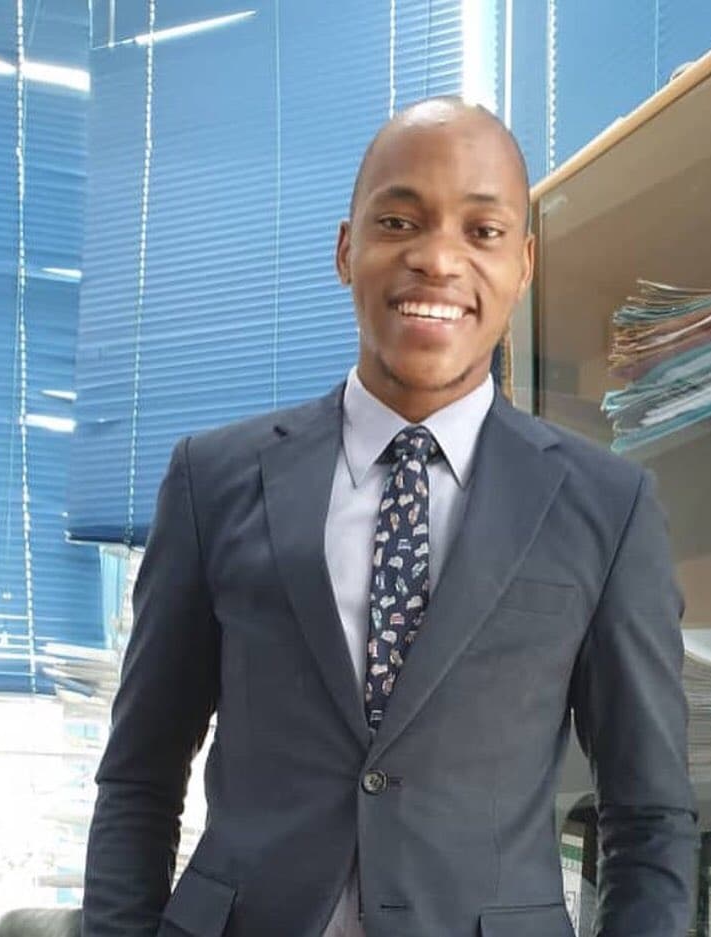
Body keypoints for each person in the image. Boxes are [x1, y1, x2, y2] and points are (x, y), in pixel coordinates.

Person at [82, 97, 697, 937]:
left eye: (481, 232)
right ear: (346, 248)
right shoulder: (211, 480)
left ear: (523, 265)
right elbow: (139, 776)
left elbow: (650, 814)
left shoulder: (606, 507)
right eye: (399, 220)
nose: (437, 259)